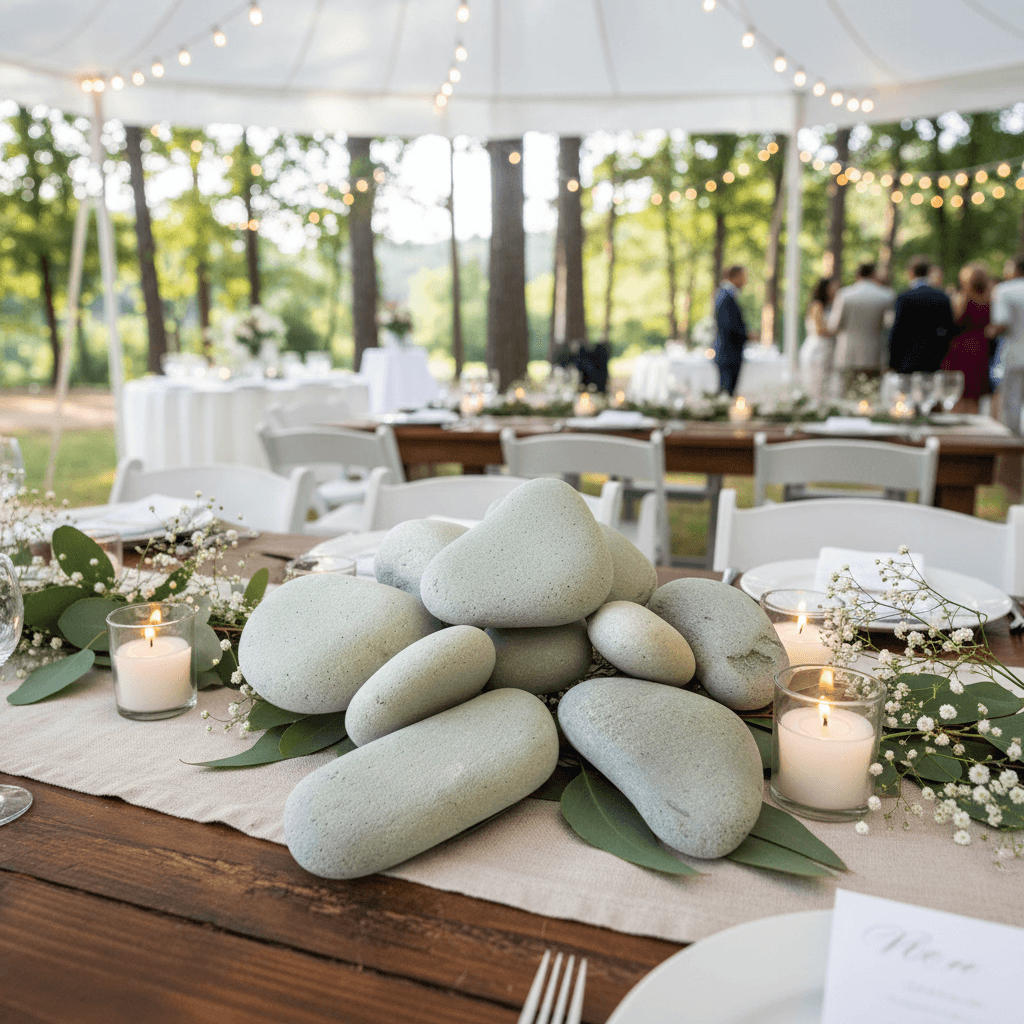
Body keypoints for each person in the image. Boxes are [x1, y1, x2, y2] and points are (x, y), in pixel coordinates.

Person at [826, 262, 895, 381]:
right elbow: (889, 324)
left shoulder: (844, 295)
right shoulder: (886, 295)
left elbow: (834, 325)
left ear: (857, 275)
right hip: (875, 353)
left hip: (847, 353)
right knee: (871, 389)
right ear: (874, 275)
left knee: (848, 389)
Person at [887, 256, 956, 373]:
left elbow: (897, 330)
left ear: (911, 272)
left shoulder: (904, 297)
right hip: (935, 357)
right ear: (929, 272)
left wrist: (893, 362)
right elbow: (949, 328)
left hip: (907, 359)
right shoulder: (942, 297)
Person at [939, 263, 992, 412]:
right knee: (974, 394)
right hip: (980, 347)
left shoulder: (963, 298)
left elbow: (954, 321)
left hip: (961, 348)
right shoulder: (989, 300)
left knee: (958, 391)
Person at [714, 265, 757, 395]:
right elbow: (728, 326)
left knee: (728, 392)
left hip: (730, 354)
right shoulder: (725, 296)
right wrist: (747, 336)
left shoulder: (726, 295)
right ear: (735, 277)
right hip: (728, 354)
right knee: (726, 393)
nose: (745, 281)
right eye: (743, 277)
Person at [799, 277, 836, 400]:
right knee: (816, 383)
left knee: (825, 383)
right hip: (817, 349)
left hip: (825, 348)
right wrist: (838, 331)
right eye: (832, 288)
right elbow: (819, 330)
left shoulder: (829, 306)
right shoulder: (817, 306)